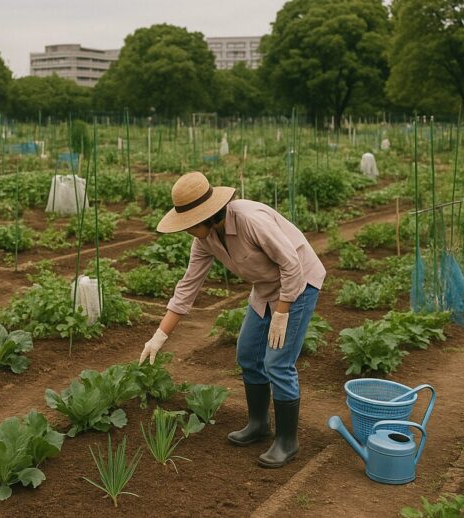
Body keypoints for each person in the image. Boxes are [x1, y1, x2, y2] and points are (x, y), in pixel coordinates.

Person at [139, 171, 326, 468]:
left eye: (190, 223)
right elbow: (188, 286)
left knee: (277, 362)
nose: (187, 230)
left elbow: (291, 264)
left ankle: (287, 442)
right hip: (265, 289)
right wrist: (159, 336)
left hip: (299, 285)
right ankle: (259, 424)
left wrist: (282, 311)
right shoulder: (205, 239)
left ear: (210, 214)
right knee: (248, 353)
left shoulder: (250, 220)